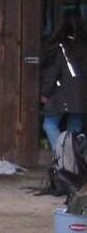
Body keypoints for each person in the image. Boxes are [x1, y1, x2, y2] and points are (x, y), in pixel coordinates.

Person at [40, 8, 87, 153]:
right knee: (75, 130)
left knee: (49, 124)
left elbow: (52, 72)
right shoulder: (84, 45)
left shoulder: (59, 47)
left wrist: (45, 93)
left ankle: (61, 157)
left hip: (60, 94)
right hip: (81, 95)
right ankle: (74, 162)